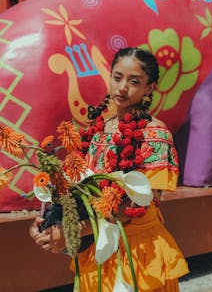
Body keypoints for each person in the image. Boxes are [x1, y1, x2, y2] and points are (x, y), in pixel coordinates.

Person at [29, 47, 189, 291]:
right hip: (97, 250)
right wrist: (51, 225)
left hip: (137, 253)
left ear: (149, 88)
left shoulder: (155, 134)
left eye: (134, 81)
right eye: (117, 77)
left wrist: (72, 231)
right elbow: (78, 191)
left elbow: (135, 206)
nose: (122, 87)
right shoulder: (97, 132)